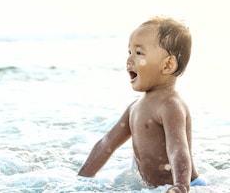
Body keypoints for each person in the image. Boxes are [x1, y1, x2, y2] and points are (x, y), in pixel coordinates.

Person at [78, 16, 206, 192]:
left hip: (187, 187)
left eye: (138, 53)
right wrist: (82, 179)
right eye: (129, 52)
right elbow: (107, 144)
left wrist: (181, 186)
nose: (129, 60)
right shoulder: (134, 108)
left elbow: (178, 148)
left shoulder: (170, 104)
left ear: (167, 65)